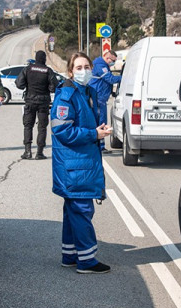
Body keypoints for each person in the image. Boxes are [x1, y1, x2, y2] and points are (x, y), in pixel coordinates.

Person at [50, 52, 112, 274]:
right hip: (74, 165)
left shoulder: (88, 91)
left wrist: (98, 132)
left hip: (81, 162)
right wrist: (93, 134)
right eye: (78, 67)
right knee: (82, 209)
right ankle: (86, 260)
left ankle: (71, 255)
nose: (84, 71)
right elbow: (61, 129)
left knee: (73, 211)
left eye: (86, 66)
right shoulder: (66, 96)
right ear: (70, 72)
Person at [15, 50, 58, 160]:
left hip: (30, 101)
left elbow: (19, 84)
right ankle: (39, 153)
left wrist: (28, 85)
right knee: (42, 127)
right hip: (43, 102)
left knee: (28, 126)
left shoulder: (28, 69)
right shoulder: (48, 71)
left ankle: (27, 151)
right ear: (44, 59)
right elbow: (54, 87)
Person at [88, 49, 121, 153]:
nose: (113, 63)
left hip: (100, 96)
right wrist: (124, 77)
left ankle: (99, 145)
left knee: (100, 121)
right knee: (101, 122)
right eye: (113, 61)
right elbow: (110, 79)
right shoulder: (100, 65)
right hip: (98, 97)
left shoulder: (103, 65)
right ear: (108, 58)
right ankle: (100, 146)